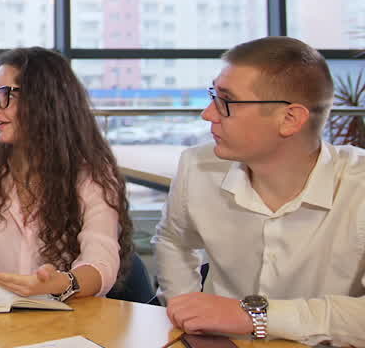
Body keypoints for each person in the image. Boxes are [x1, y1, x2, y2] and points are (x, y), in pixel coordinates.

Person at [154, 36, 365, 346]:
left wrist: (255, 317)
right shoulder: (196, 166)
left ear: (290, 119)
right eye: (213, 95)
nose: (208, 114)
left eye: (225, 101)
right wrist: (184, 307)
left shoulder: (358, 187)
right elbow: (173, 239)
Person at [0, 47, 131, 302]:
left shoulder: (91, 171)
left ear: (44, 101)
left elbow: (101, 261)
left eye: (5, 95)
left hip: (66, 318)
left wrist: (61, 282)